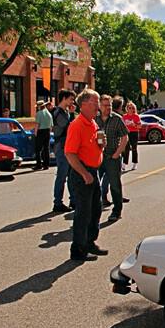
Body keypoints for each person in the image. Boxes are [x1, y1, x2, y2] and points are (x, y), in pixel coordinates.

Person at [64, 89, 106, 262]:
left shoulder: (93, 123)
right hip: (82, 173)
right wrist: (84, 173)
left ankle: (89, 242)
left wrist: (101, 145)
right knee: (83, 213)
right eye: (95, 102)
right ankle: (78, 249)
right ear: (84, 105)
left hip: (92, 172)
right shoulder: (77, 125)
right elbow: (70, 153)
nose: (98, 106)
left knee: (96, 209)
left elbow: (95, 146)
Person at [96, 95, 129, 221]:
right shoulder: (95, 119)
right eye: (105, 105)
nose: (107, 108)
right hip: (98, 157)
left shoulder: (117, 119)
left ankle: (116, 211)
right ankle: (96, 210)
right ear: (99, 106)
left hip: (112, 157)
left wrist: (117, 153)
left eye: (109, 105)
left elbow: (125, 137)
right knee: (95, 185)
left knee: (115, 185)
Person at [51, 89, 76, 213]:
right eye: (71, 99)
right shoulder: (58, 112)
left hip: (68, 146)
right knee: (62, 174)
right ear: (64, 98)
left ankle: (74, 199)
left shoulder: (64, 111)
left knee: (71, 174)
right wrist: (71, 114)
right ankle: (57, 203)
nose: (72, 102)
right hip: (61, 146)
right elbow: (69, 127)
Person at [33, 100, 53, 170]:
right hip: (47, 131)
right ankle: (46, 165)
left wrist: (35, 133)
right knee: (46, 148)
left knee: (38, 149)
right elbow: (51, 126)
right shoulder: (49, 114)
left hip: (40, 131)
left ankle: (38, 164)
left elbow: (37, 124)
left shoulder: (39, 113)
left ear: (39, 107)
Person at [122, 101, 141, 171]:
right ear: (127, 108)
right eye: (129, 108)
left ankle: (135, 163)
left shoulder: (136, 116)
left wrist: (134, 125)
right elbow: (122, 126)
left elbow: (139, 126)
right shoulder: (124, 116)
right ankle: (124, 164)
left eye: (132, 108)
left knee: (134, 148)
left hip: (134, 133)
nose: (130, 109)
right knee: (126, 149)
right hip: (127, 133)